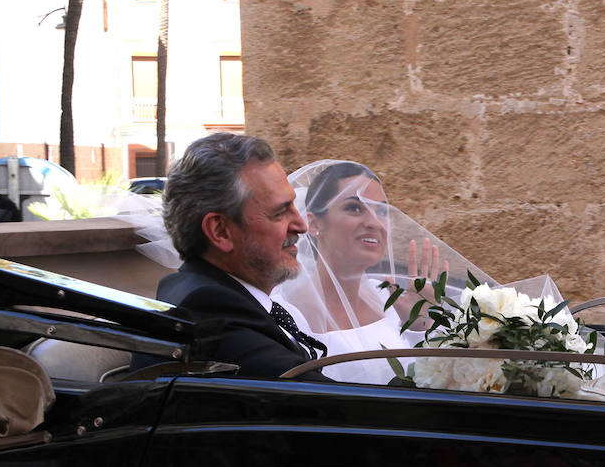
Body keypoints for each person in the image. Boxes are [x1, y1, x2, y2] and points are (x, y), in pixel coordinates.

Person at [274, 159, 477, 384]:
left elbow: (427, 380)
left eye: (381, 211)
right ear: (314, 224)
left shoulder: (388, 300)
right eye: (354, 208)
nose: (374, 222)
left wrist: (419, 325)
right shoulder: (288, 317)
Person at [152, 132, 330, 381]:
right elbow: (331, 405)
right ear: (220, 231)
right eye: (280, 212)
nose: (301, 225)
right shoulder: (209, 310)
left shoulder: (204, 290)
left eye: (294, 206)